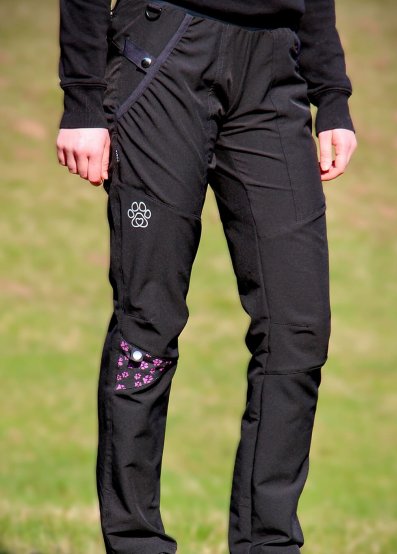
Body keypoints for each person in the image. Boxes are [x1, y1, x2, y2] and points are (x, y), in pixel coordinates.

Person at [56, 1, 357, 553]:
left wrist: (331, 95)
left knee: (299, 325)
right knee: (147, 320)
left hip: (274, 66)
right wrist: (82, 100)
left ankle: (268, 545)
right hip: (164, 49)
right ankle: (136, 543)